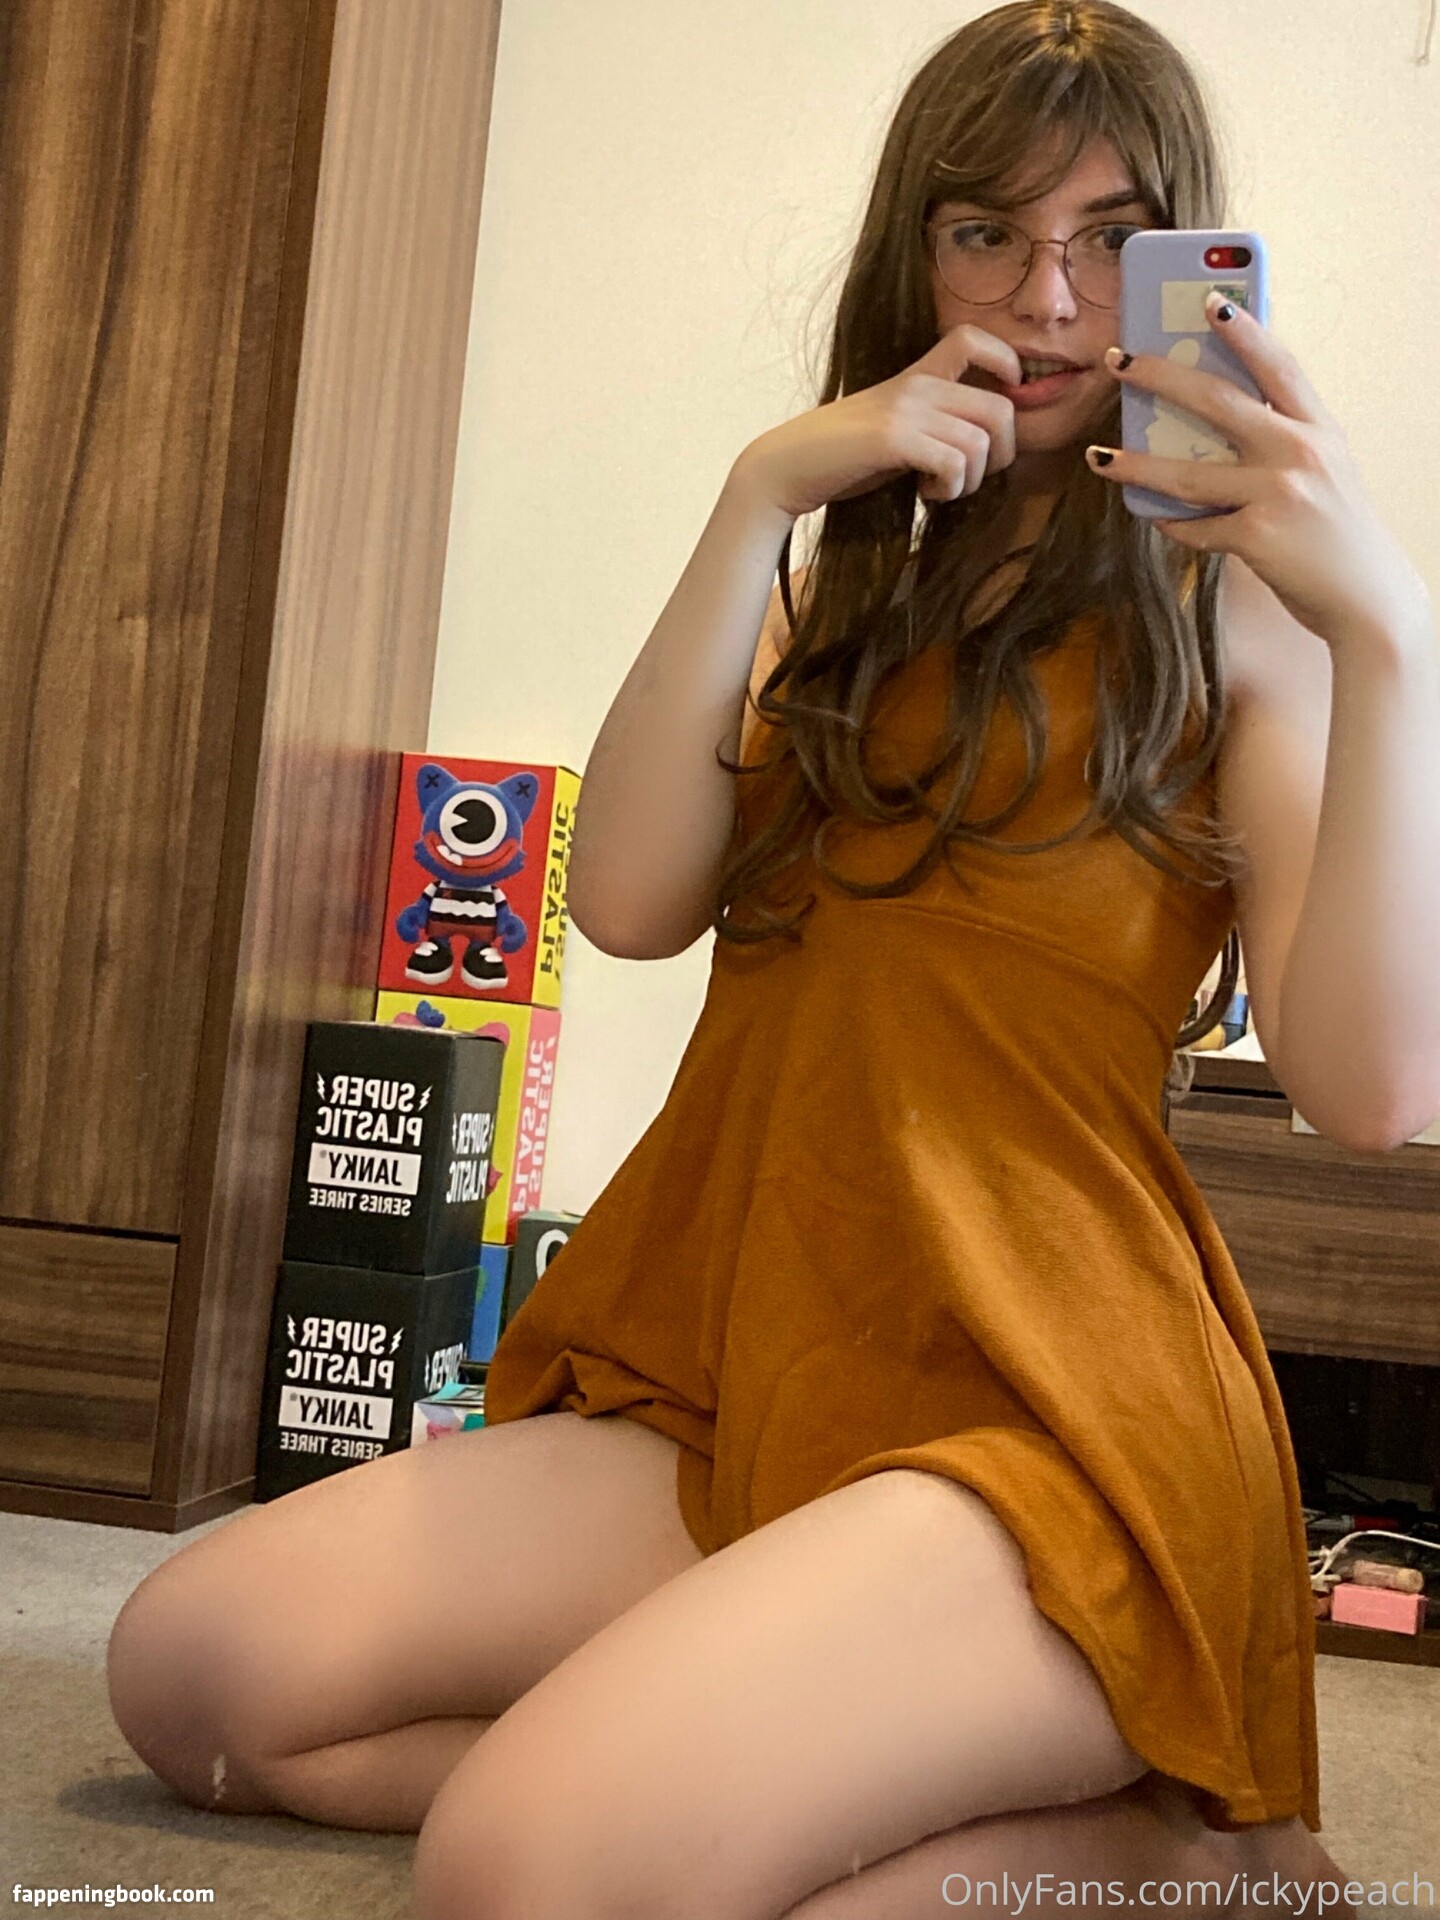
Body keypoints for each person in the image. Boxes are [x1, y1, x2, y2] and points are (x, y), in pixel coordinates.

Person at [107, 3, 1410, 1913]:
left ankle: (1199, 1852)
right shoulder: (842, 586)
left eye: (1110, 239)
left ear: (1183, 264)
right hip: (746, 1367)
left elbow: (1374, 1093)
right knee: (200, 1676)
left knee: (518, 1871)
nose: (1049, 298)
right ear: (916, 255)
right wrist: (755, 500)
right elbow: (628, 902)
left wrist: (1389, 632)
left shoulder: (1246, 614)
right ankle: (779, 1777)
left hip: (1054, 1415)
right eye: (988, 233)